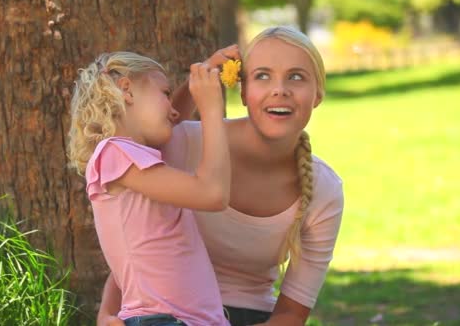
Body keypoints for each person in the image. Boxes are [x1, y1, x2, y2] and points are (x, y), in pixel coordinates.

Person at [97, 26, 344, 326]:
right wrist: (107, 314)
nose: (280, 89)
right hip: (166, 315)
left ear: (318, 94)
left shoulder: (325, 190)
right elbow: (136, 230)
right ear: (242, 90)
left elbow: (292, 314)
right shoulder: (186, 143)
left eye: (296, 76)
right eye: (263, 75)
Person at [67, 51, 232, 326]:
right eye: (165, 94)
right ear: (127, 91)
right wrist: (211, 108)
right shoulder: (114, 153)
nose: (174, 109)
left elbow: (171, 121)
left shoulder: (134, 161)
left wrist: (200, 76)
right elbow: (213, 194)